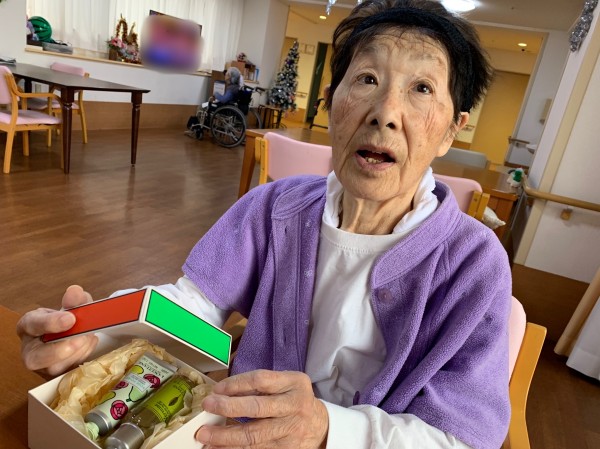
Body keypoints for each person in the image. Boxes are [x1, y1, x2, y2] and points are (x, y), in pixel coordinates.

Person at [17, 1, 510, 448]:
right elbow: (195, 308)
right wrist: (95, 336)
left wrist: (327, 429)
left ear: (451, 130)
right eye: (366, 79)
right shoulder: (275, 208)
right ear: (331, 100)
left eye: (422, 89)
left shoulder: (474, 263)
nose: (385, 114)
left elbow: (462, 440)